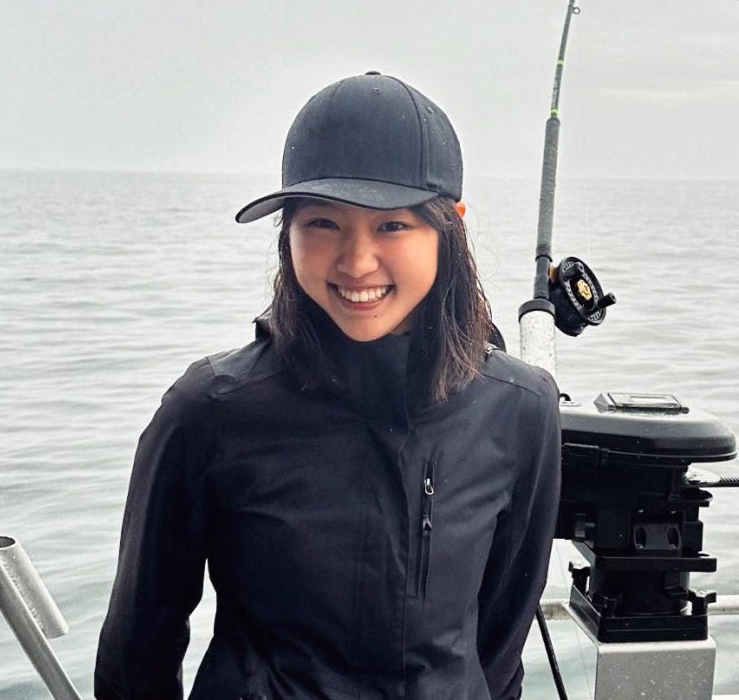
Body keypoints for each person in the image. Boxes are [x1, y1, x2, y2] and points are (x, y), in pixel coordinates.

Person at [94, 72, 561, 700]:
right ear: (287, 232)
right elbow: (136, 655)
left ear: (451, 227)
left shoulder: (521, 409)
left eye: (392, 226)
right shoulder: (208, 410)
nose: (357, 261)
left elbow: (499, 646)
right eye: (323, 223)